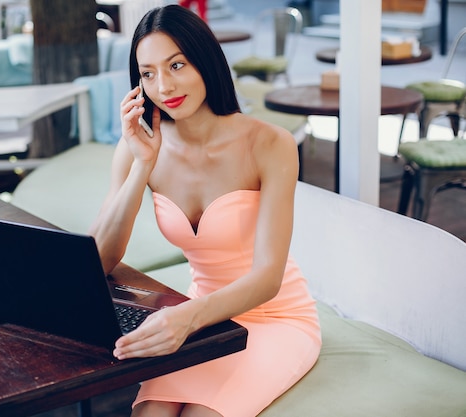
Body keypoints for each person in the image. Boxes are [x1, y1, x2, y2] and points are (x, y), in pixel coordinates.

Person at [88, 5, 321, 417]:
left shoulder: (270, 144)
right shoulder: (138, 146)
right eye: (148, 73)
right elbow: (99, 260)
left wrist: (186, 318)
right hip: (203, 319)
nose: (164, 85)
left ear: (205, 59)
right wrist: (142, 164)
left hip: (275, 317)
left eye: (177, 65)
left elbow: (268, 278)